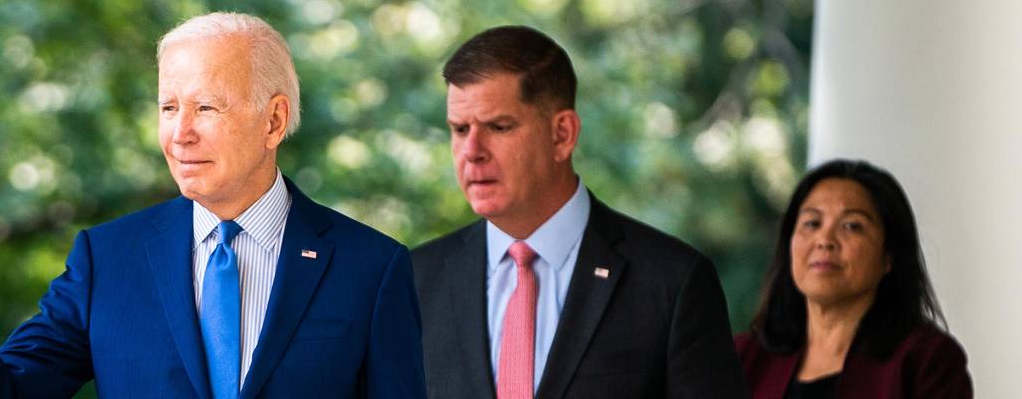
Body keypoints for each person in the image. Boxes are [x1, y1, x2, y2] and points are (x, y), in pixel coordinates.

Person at [0, 12, 425, 399]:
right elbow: (6, 393)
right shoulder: (107, 259)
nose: (180, 133)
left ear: (274, 121)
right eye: (169, 107)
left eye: (206, 107)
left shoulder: (372, 268)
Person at [411, 25, 746, 398]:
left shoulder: (672, 281)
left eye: (498, 127)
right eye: (460, 129)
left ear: (562, 134)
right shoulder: (413, 281)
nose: (472, 151)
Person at [734, 159, 973, 398]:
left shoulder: (927, 361)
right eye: (812, 223)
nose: (824, 240)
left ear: (889, 255)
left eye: (851, 226)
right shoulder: (741, 358)